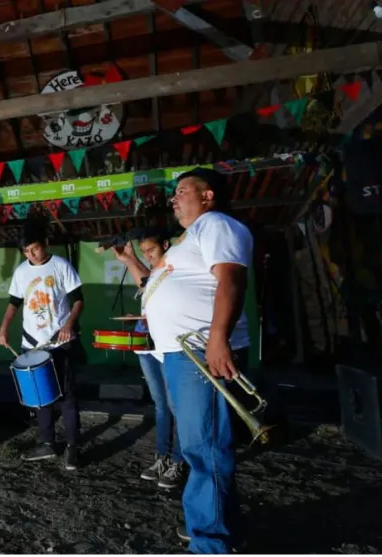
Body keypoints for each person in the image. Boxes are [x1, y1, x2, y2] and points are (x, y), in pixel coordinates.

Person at [144, 168, 252, 553]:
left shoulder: (217, 224)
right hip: (180, 354)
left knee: (204, 449)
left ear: (207, 196)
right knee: (201, 446)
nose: (173, 198)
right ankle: (215, 526)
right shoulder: (186, 240)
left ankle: (211, 543)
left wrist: (218, 338)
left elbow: (231, 281)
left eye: (182, 191)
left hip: (201, 352)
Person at [0, 222, 85, 470]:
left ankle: (73, 446)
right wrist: (3, 328)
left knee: (66, 396)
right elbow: (14, 303)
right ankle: (47, 442)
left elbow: (78, 300)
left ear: (44, 243)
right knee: (41, 396)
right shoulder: (21, 271)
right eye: (26, 251)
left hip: (60, 341)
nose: (31, 255)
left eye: (34, 248)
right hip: (32, 344)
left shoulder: (60, 266)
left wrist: (69, 324)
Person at [113, 228, 186, 490]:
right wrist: (130, 259)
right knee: (160, 405)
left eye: (151, 251)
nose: (148, 256)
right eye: (144, 252)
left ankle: (179, 460)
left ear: (166, 244)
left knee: (176, 406)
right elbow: (145, 285)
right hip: (147, 346)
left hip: (168, 346)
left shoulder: (175, 267)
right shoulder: (154, 272)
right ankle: (162, 458)